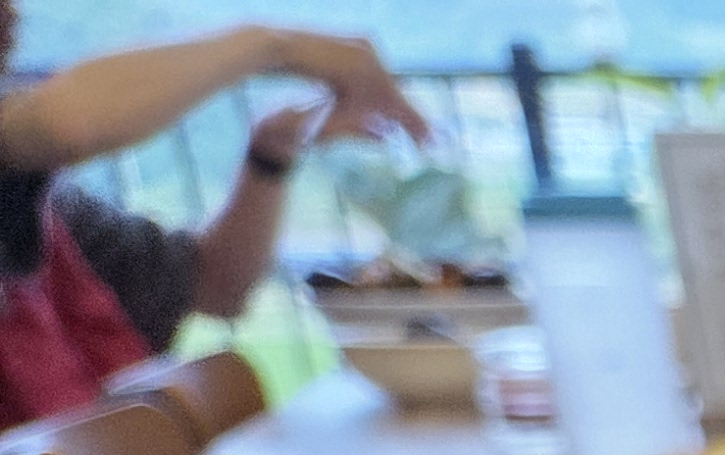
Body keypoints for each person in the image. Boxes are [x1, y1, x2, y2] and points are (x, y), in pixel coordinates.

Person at [0, 12, 426, 425]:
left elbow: (216, 286)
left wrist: (272, 151)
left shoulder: (53, 211)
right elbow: (64, 125)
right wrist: (274, 46)